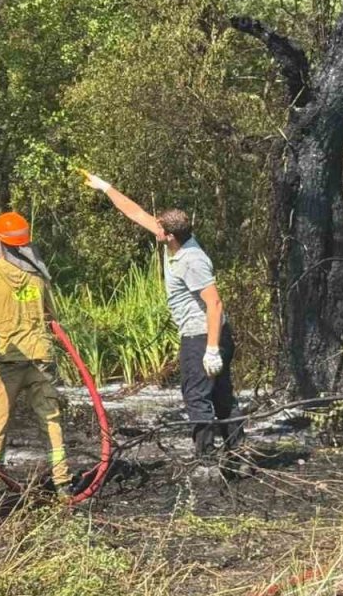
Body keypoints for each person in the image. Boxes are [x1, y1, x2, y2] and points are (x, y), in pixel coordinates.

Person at [81, 171, 244, 471]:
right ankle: (238, 457)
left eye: (159, 226)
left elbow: (215, 303)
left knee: (198, 397)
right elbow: (135, 212)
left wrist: (210, 349)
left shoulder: (191, 260)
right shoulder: (175, 242)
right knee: (220, 396)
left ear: (169, 234)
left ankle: (207, 461)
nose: (153, 226)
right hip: (204, 335)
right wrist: (105, 188)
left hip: (202, 336)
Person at [0, 211, 74, 500]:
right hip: (41, 357)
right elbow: (52, 315)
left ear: (0, 242)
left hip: (9, 361)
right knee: (51, 421)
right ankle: (63, 482)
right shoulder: (38, 275)